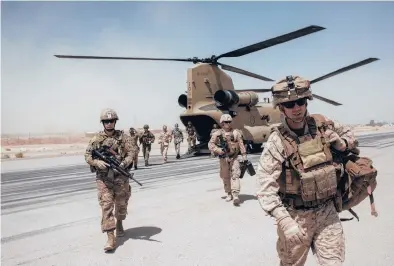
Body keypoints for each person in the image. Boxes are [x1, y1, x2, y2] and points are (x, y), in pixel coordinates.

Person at [255, 76, 358, 265]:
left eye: (300, 102)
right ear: (281, 107)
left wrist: (342, 144)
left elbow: (351, 138)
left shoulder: (323, 125)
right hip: (296, 217)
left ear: (306, 101)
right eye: (290, 104)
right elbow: (265, 187)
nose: (296, 108)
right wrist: (284, 221)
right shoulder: (277, 141)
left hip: (327, 211)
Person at [84, 108, 133, 251]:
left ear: (115, 122)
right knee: (106, 206)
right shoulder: (96, 140)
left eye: (111, 121)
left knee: (122, 205)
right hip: (104, 178)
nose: (109, 124)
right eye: (106, 121)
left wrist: (124, 163)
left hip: (120, 177)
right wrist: (96, 162)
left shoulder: (123, 137)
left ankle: (119, 222)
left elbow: (132, 152)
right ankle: (111, 238)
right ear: (103, 123)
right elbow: (87, 155)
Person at [208, 114, 247, 206]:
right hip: (224, 158)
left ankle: (235, 194)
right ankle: (228, 193)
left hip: (234, 157)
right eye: (226, 122)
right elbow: (210, 144)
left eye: (229, 122)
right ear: (222, 123)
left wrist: (244, 155)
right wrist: (218, 150)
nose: (228, 124)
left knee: (235, 175)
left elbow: (241, 144)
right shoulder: (217, 134)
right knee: (225, 177)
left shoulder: (236, 133)